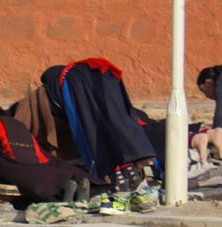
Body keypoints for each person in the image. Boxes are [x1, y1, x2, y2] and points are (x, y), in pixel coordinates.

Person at [39, 58, 157, 190]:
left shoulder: (70, 89)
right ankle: (129, 170)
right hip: (106, 81)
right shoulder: (83, 78)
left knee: (96, 130)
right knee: (115, 122)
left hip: (86, 88)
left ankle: (118, 174)